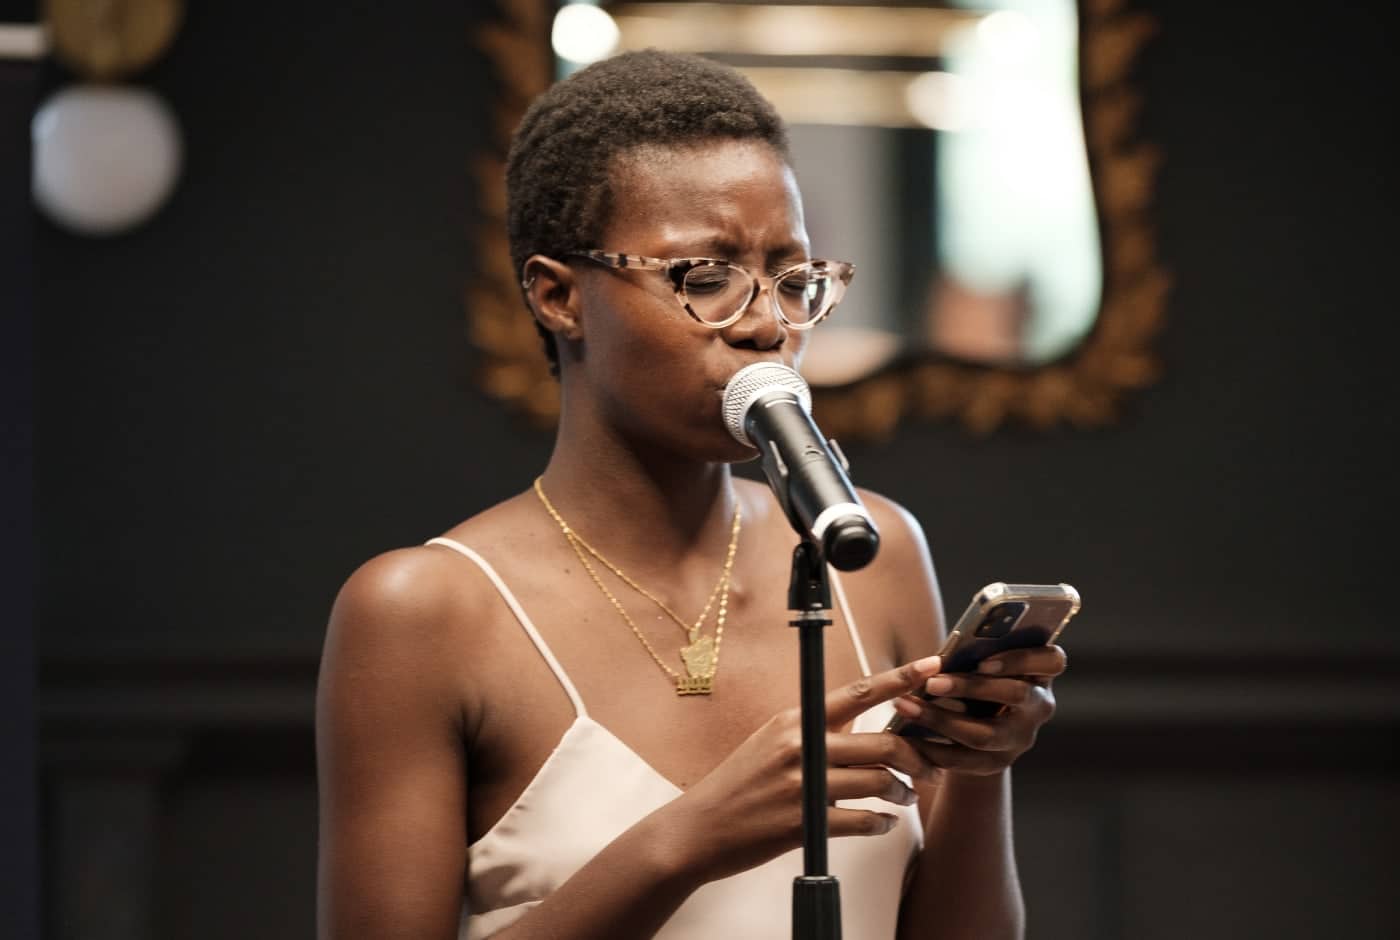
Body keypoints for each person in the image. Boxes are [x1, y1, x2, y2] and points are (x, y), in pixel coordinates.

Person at [315, 49, 1066, 940]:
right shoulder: (423, 610)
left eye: (792, 277)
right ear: (559, 297)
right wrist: (690, 839)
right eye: (704, 277)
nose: (765, 323)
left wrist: (980, 772)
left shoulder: (872, 552)